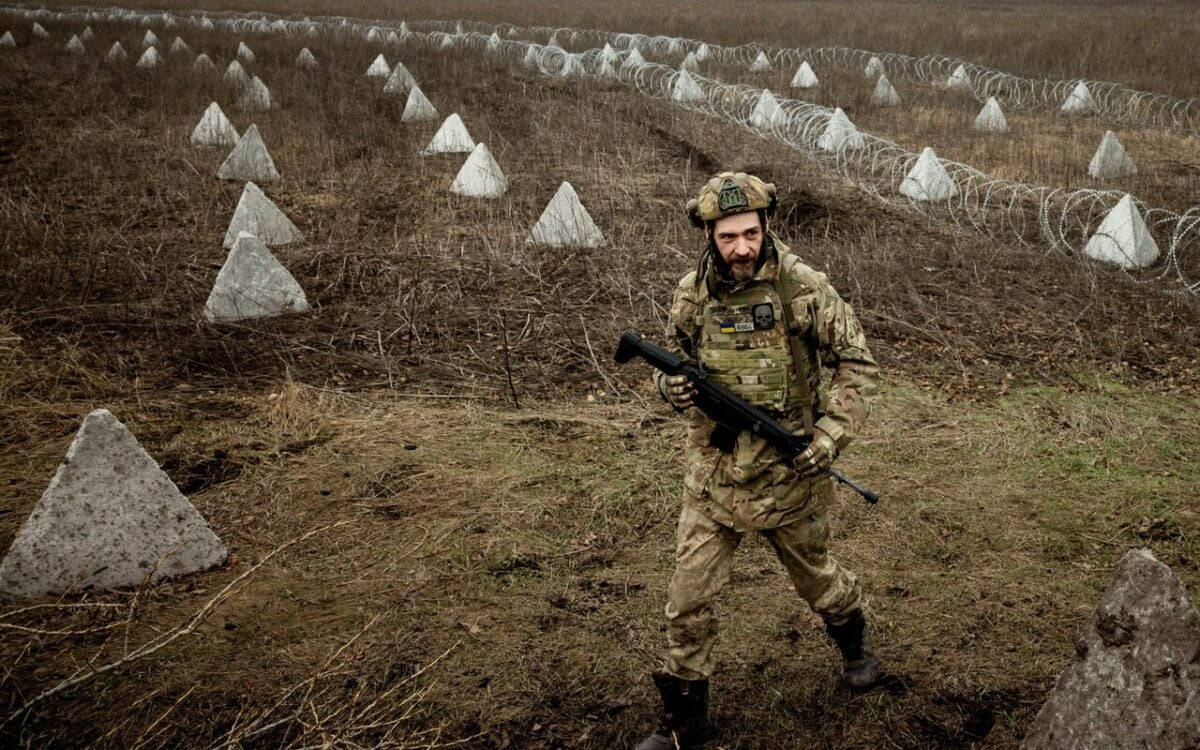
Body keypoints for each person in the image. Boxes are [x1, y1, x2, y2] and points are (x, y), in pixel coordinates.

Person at [636, 172, 882, 750]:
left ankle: (856, 647)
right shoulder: (692, 294)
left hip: (790, 475)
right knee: (687, 601)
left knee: (819, 581)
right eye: (727, 238)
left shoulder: (803, 288)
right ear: (708, 236)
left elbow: (857, 364)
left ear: (766, 225)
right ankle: (684, 724)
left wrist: (829, 435)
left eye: (750, 233)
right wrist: (666, 387)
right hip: (714, 479)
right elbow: (671, 361)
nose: (741, 248)